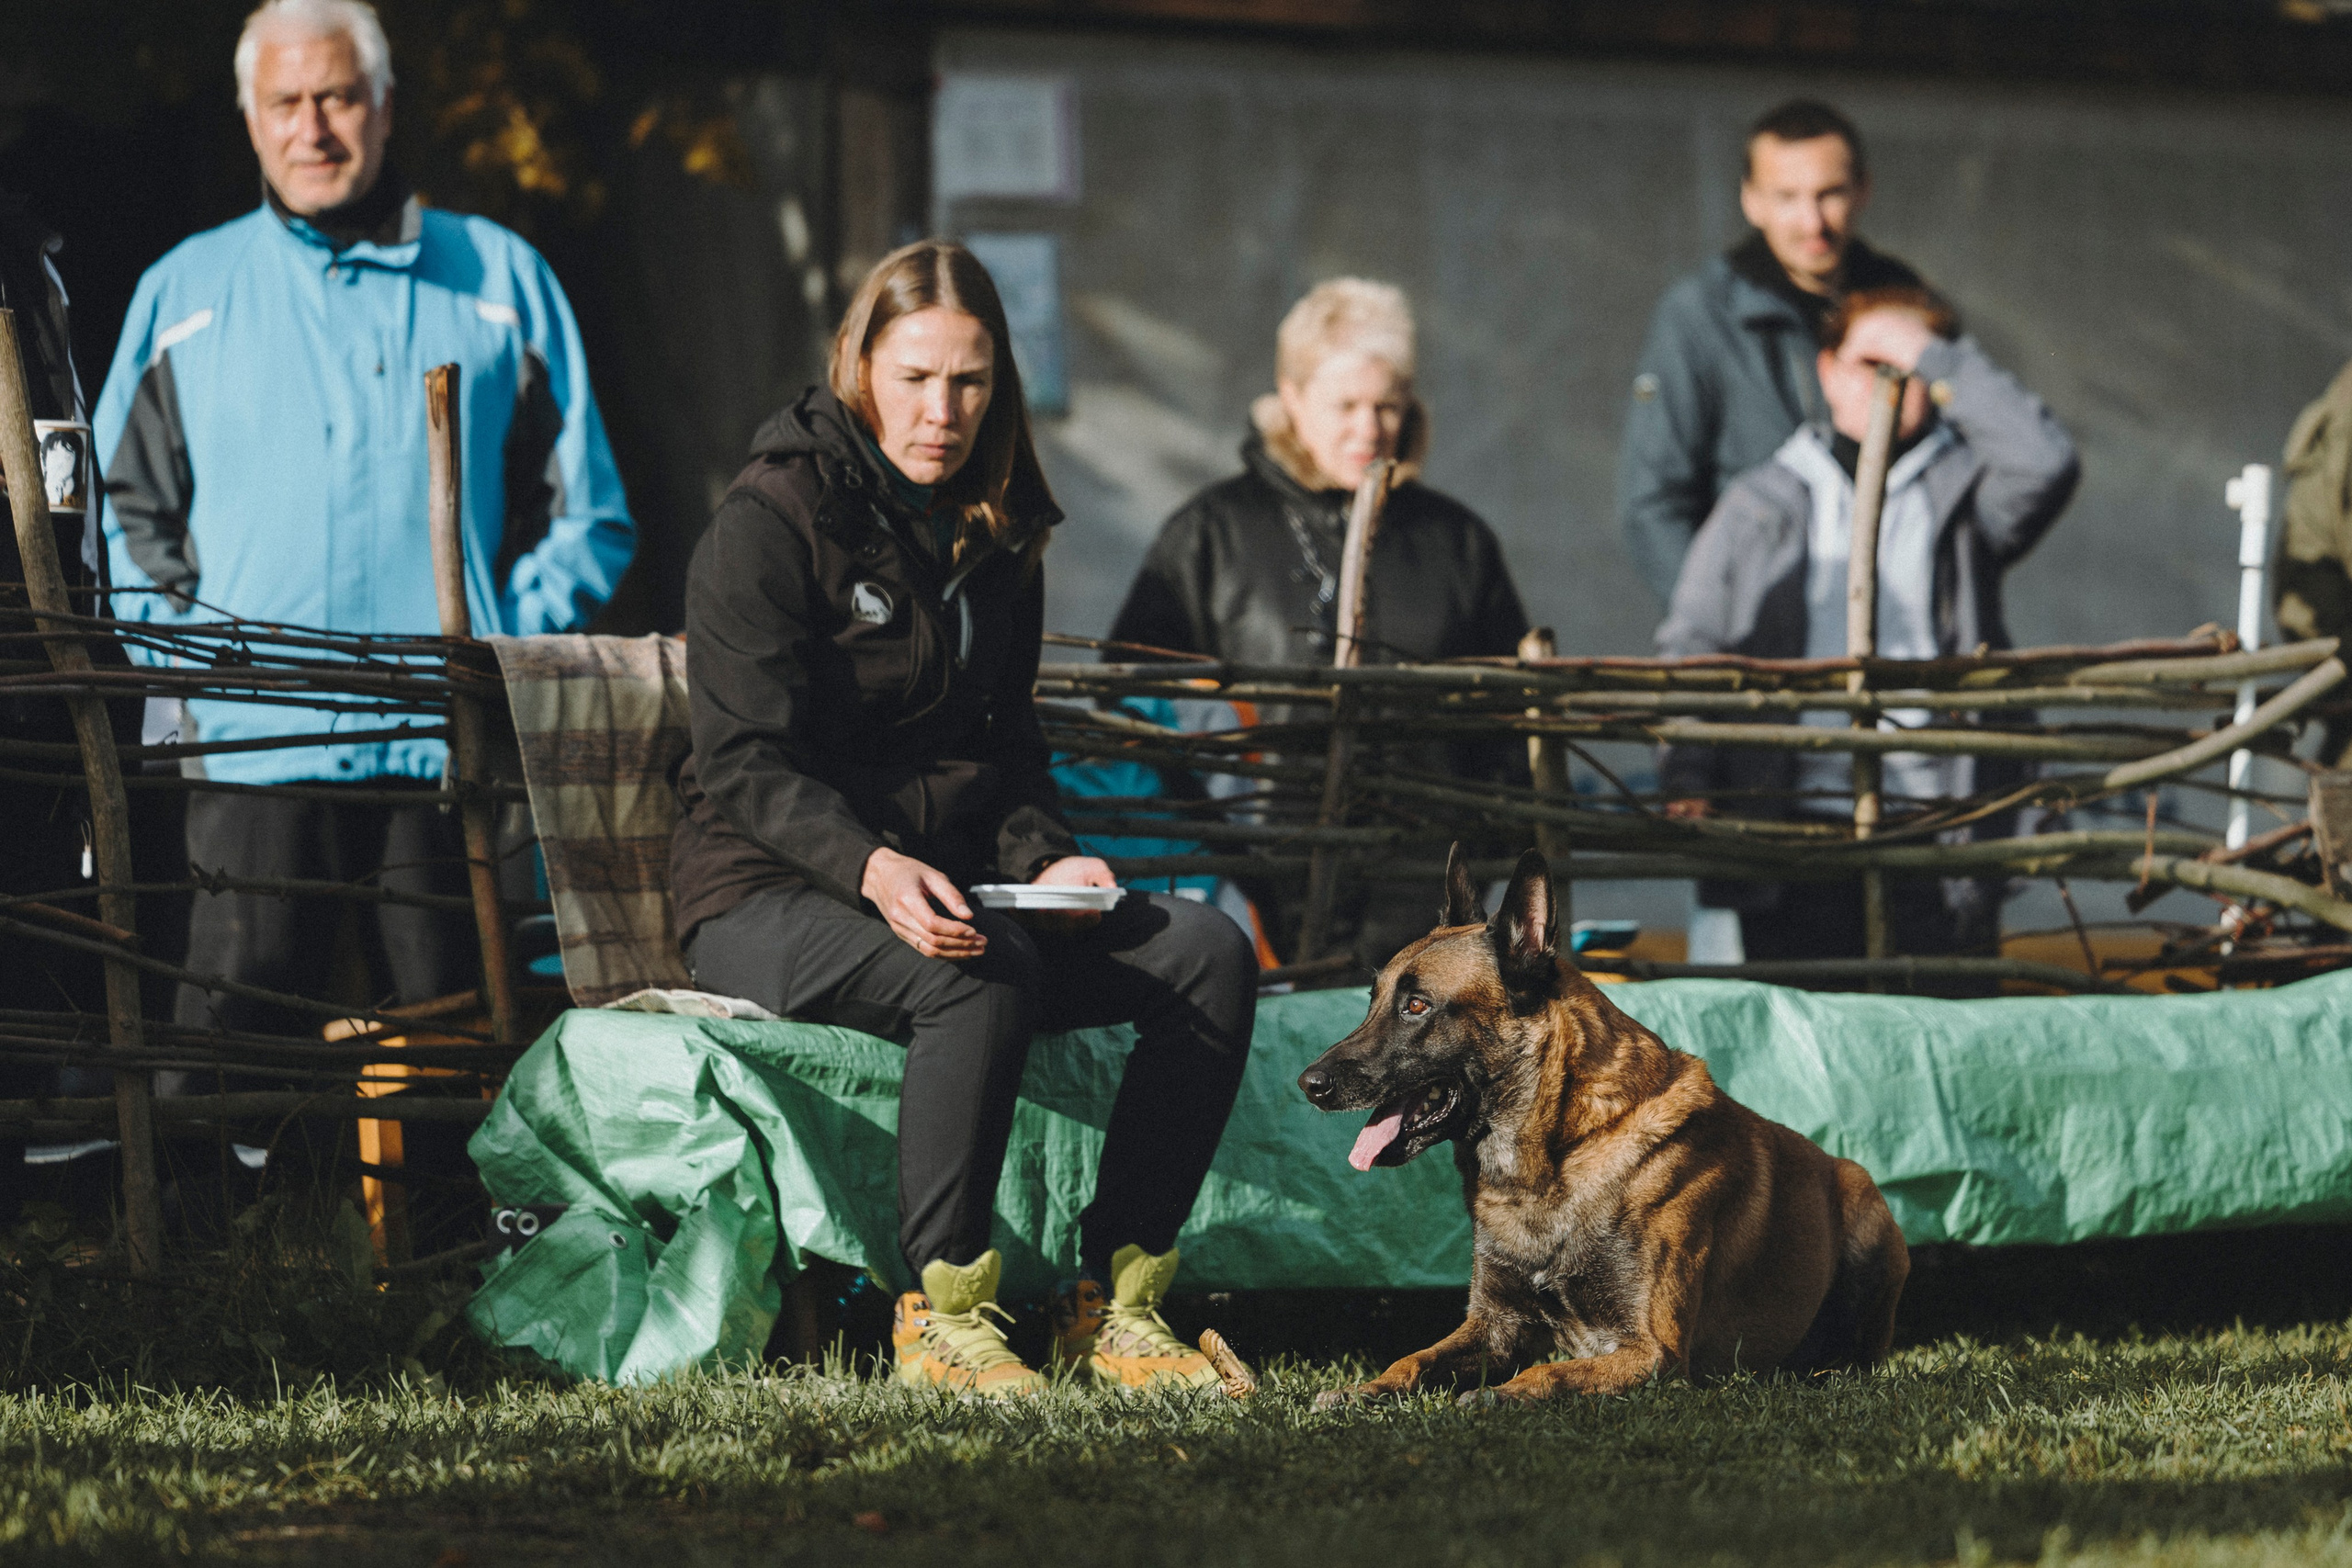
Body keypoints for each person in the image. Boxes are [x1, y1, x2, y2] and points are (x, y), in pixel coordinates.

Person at [670, 240, 1259, 1398]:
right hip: (765, 889)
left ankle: (1117, 1309)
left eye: (971, 381)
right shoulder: (769, 521)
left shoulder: (996, 534)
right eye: (916, 377)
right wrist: (873, 868)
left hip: (952, 884)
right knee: (976, 970)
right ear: (859, 369)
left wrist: (1055, 857)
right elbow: (742, 760)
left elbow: (1006, 753)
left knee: (1207, 954)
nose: (942, 411)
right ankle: (941, 1317)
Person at [92, 0, 634, 1042]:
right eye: (285, 102)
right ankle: (228, 1208)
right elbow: (123, 514)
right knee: (226, 1043)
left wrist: (493, 643)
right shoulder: (186, 292)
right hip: (252, 740)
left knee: (457, 1049)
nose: (314, 127)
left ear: (385, 108)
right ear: (251, 119)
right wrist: (206, 658)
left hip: (445, 744)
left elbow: (589, 512)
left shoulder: (501, 281)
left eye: (338, 96)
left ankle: (440, 1217)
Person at [1108, 277, 1529, 967]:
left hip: (1424, 893)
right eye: (1347, 404)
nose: (1370, 428)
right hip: (1254, 888)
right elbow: (1131, 712)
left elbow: (1510, 727)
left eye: (1388, 405)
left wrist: (1482, 862)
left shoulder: (1456, 542)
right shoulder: (1211, 535)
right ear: (1293, 397)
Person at [1656, 286, 2078, 965]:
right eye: (1870, 361)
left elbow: (2046, 460)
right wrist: (1689, 768)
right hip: (1793, 826)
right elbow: (1696, 643)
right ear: (1825, 369)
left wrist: (1935, 356)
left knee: (1938, 1032)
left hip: (1939, 828)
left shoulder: (1966, 493)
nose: (1891, 382)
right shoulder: (1761, 500)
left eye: (1909, 367)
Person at [1618, 100, 1928, 604]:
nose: (1813, 222)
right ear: (1751, 201)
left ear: (1863, 190)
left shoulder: (1908, 303)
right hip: (1762, 644)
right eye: (1787, 197)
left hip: (1898, 625)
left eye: (1830, 195)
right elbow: (1654, 502)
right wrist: (1722, 626)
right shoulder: (1700, 316)